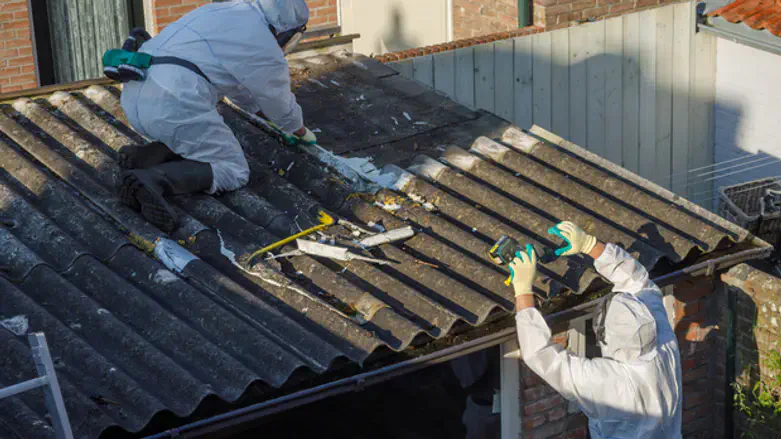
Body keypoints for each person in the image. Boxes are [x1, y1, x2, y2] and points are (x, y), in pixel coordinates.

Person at [117, 0, 316, 232]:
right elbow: (276, 98)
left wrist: (272, 119)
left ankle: (147, 155)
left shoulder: (220, 12)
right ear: (286, 30)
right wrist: (297, 130)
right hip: (174, 104)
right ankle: (154, 179)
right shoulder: (262, 44)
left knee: (198, 134)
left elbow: (242, 91)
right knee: (233, 169)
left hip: (134, 96)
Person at [509, 221, 682, 438]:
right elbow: (639, 283)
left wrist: (523, 291)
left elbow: (540, 355)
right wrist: (590, 244)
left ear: (605, 338)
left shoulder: (609, 383)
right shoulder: (664, 345)